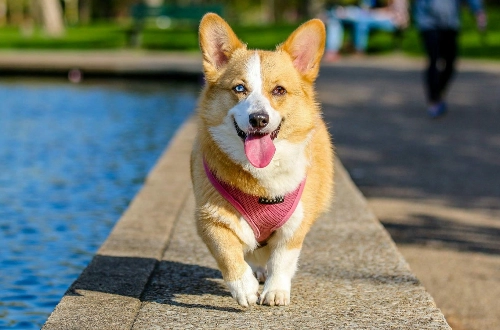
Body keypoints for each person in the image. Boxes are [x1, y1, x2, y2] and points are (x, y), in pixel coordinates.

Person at [414, 0, 487, 118]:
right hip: (428, 22)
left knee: (450, 62)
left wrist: (479, 12)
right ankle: (434, 100)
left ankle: (438, 92)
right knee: (434, 59)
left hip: (450, 22)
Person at [324, 0, 409, 61]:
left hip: (394, 19)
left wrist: (370, 12)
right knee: (334, 18)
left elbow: (390, 10)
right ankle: (332, 51)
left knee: (362, 21)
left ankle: (358, 49)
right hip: (371, 15)